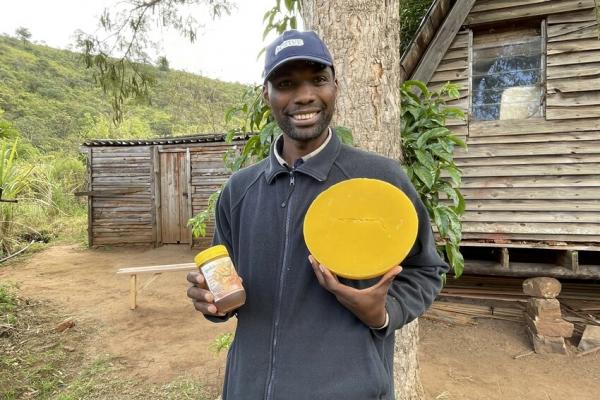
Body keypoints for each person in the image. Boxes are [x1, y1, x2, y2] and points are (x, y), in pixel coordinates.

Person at [187, 30, 448, 400]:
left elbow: (426, 269)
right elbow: (224, 287)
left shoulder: (380, 180)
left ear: (335, 86)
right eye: (286, 83)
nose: (305, 95)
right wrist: (212, 302)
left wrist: (383, 312)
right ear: (268, 95)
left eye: (318, 79)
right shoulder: (240, 191)